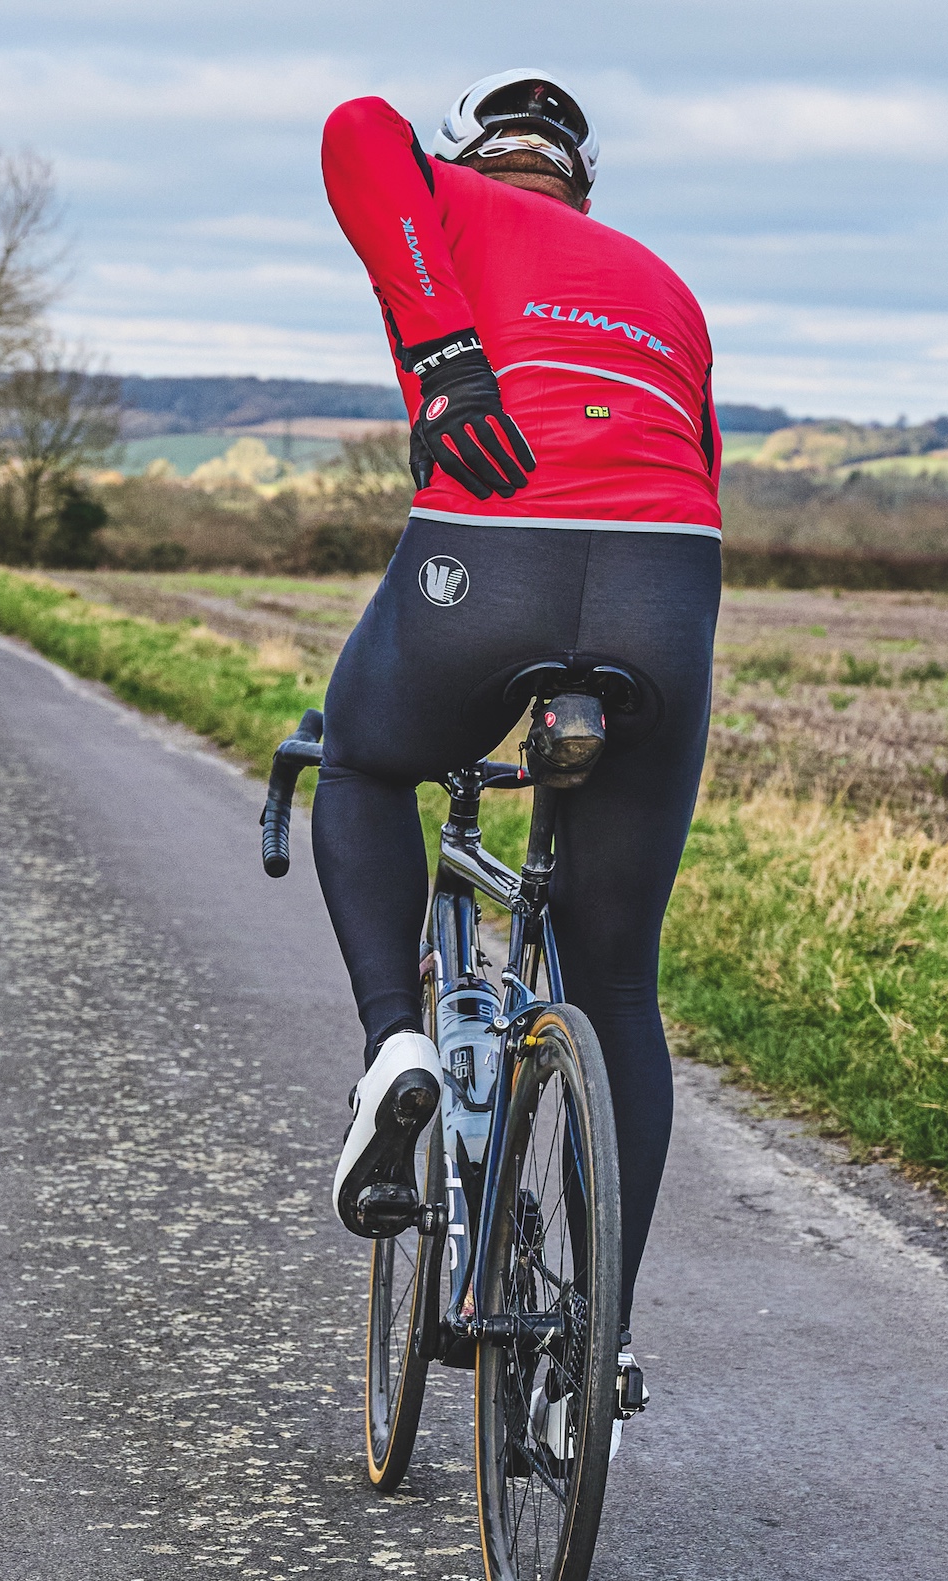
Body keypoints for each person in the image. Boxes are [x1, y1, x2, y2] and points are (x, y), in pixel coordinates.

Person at [317, 70, 723, 1330]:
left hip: (488, 552)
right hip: (669, 583)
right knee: (618, 988)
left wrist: (444, 354)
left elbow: (355, 130)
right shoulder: (664, 285)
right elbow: (699, 461)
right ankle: (592, 1353)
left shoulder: (442, 204)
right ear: (582, 187)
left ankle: (397, 1046)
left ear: (476, 164)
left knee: (365, 763)